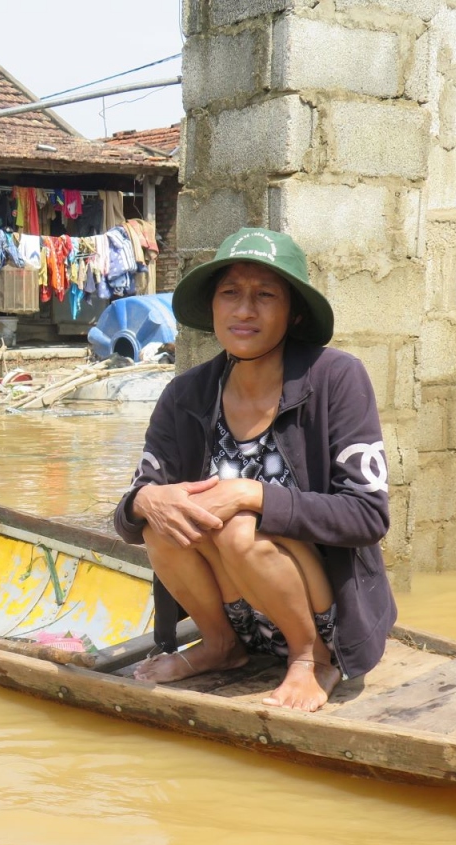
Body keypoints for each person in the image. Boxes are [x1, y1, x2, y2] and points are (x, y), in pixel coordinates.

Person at [113, 227, 396, 711]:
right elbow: (128, 518)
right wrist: (141, 501)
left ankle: (311, 661)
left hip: (320, 614)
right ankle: (221, 646)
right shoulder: (186, 395)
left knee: (240, 530)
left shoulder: (336, 379)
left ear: (295, 312)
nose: (245, 310)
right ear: (214, 308)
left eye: (265, 295)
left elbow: (368, 516)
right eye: (230, 294)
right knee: (161, 524)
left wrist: (252, 495)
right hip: (233, 608)